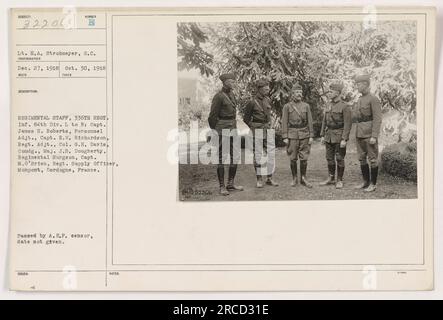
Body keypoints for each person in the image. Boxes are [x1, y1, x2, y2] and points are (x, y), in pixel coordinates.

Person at [208, 73, 244, 196]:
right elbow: (212, 117)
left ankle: (231, 183)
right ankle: (222, 186)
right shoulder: (218, 96)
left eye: (234, 81)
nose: (233, 83)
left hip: (233, 126)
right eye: (231, 82)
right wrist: (217, 129)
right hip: (222, 127)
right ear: (225, 83)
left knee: (235, 156)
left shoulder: (232, 95)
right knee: (222, 157)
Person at [243, 79, 279, 188]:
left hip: (267, 129)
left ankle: (269, 178)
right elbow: (246, 119)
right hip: (257, 130)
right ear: (259, 89)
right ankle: (259, 179)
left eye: (268, 87)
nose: (268, 89)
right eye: (265, 87)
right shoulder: (252, 102)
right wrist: (253, 127)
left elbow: (269, 115)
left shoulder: (268, 100)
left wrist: (270, 125)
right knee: (258, 155)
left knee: (271, 154)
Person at [319, 82, 352, 189]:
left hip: (339, 135)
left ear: (337, 92)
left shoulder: (345, 106)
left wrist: (344, 139)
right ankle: (331, 178)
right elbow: (324, 120)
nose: (329, 93)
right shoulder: (328, 105)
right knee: (329, 158)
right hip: (329, 135)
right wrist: (322, 135)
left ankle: (339, 180)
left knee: (339, 158)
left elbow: (347, 124)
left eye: (331, 91)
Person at [353, 74, 382, 192]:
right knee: (361, 158)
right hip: (359, 133)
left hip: (369, 134)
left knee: (373, 159)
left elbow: (377, 119)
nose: (357, 87)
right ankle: (365, 182)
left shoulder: (373, 99)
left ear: (365, 84)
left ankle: (373, 184)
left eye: (359, 84)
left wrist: (374, 135)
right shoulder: (359, 99)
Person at [281, 83, 314, 188]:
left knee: (304, 157)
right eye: (297, 92)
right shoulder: (287, 106)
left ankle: (303, 178)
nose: (299, 94)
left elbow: (310, 121)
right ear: (292, 94)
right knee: (293, 157)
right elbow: (284, 122)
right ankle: (294, 178)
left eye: (300, 92)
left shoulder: (306, 106)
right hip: (292, 134)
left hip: (304, 133)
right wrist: (285, 136)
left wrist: (311, 135)